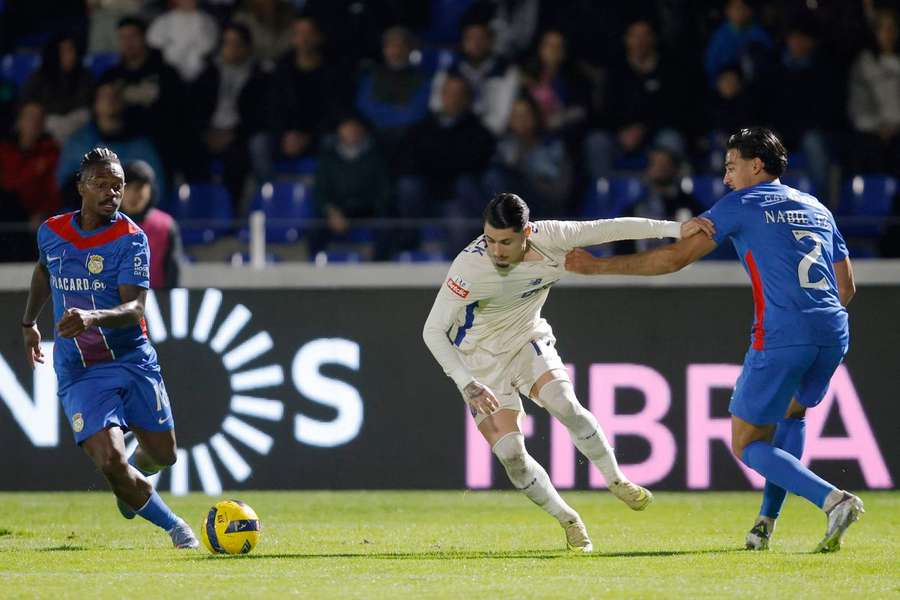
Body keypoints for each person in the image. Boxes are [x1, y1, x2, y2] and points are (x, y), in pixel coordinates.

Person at [565, 127, 863, 552]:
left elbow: (674, 258)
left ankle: (833, 500)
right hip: (833, 330)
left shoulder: (741, 203)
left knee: (746, 444)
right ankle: (765, 523)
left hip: (783, 333)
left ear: (756, 165)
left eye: (731, 166)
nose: (725, 178)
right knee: (791, 418)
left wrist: (595, 268)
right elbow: (846, 285)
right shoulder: (816, 206)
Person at [422, 191, 712, 551]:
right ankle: (569, 520)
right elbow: (432, 331)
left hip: (526, 340)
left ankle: (617, 480)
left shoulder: (554, 237)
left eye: (506, 242)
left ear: (527, 232)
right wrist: (467, 383)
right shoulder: (468, 269)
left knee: (565, 404)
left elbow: (610, 229)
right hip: (480, 362)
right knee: (512, 456)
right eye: (490, 240)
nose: (496, 250)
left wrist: (675, 228)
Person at [21, 147, 198, 548]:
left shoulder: (131, 239)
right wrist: (29, 322)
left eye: (117, 186)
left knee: (163, 455)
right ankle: (176, 527)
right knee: (111, 462)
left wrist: (90, 317)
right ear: (81, 187)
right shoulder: (52, 232)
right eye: (101, 184)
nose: (111, 192)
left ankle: (132, 486)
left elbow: (135, 307)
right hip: (81, 370)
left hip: (132, 358)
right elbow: (43, 271)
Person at [121, 160, 182, 289]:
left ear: (151, 190)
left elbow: (173, 276)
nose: (132, 194)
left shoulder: (165, 226)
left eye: (138, 187)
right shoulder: (102, 224)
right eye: (127, 187)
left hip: (155, 304)